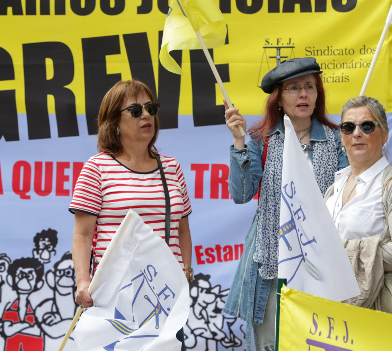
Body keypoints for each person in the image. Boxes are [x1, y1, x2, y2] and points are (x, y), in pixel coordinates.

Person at [222, 57, 348, 351]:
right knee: (271, 343)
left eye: (310, 87)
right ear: (278, 99)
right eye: (293, 88)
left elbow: (346, 201)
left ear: (318, 95)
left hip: (321, 261)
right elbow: (242, 194)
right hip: (271, 261)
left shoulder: (336, 140)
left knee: (315, 344)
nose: (303, 94)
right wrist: (239, 143)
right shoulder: (261, 140)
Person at [69, 79, 193, 349]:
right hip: (115, 299)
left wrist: (185, 270)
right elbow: (82, 235)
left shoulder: (171, 168)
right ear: (114, 122)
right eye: (136, 111)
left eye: (151, 108)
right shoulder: (97, 168)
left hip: (164, 300)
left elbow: (182, 229)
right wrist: (82, 282)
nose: (146, 115)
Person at [324, 96, 392, 312]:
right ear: (341, 136)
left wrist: (344, 254)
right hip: (330, 309)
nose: (356, 133)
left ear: (385, 134)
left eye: (367, 126)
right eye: (348, 127)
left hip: (374, 312)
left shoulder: (388, 184)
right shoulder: (334, 188)